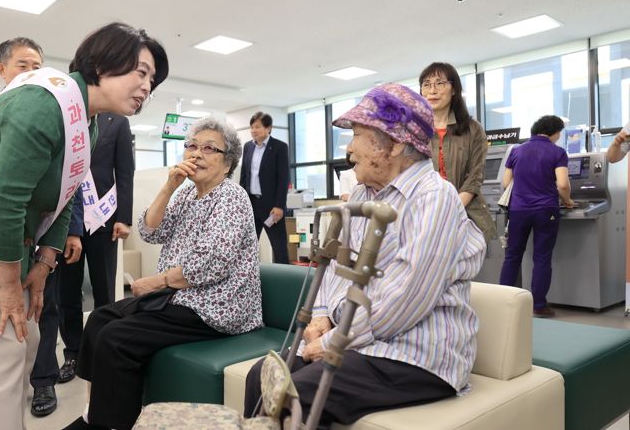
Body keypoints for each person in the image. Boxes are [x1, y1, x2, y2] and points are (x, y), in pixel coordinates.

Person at [0, 22, 169, 430]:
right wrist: (10, 284)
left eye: (152, 79)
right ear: (101, 63)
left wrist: (43, 265)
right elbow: (4, 201)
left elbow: (64, 196)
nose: (147, 87)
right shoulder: (46, 104)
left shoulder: (87, 121)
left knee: (29, 341)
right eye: (141, 72)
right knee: (2, 352)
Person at [244, 84, 486, 428]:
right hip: (361, 345)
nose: (349, 148)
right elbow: (337, 268)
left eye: (358, 134)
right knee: (261, 376)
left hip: (412, 355)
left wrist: (330, 341)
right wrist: (322, 316)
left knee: (292, 393)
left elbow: (406, 300)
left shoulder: (434, 197)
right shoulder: (362, 194)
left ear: (396, 143)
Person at [64, 118, 263, 430]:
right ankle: (94, 415)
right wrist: (169, 187)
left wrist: (156, 282)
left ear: (228, 163)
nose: (197, 154)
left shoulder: (231, 196)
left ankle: (113, 424)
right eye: (192, 146)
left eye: (209, 148)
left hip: (218, 306)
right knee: (100, 319)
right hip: (180, 298)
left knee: (117, 339)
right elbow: (149, 230)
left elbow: (211, 262)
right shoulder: (185, 193)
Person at [0, 36, 84, 418]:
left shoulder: (60, 112)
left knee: (45, 307)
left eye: (38, 66)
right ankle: (3, 385)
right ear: (2, 71)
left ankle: (43, 381)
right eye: (23, 65)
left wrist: (70, 231)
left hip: (44, 232)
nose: (32, 73)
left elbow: (72, 179)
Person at [57, 112, 134, 384]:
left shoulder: (118, 122)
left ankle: (102, 350)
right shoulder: (66, 116)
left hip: (104, 218)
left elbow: (125, 172)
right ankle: (73, 353)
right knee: (67, 292)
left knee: (104, 291)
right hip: (66, 223)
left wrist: (124, 216)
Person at [498, 115, 574, 317]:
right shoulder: (557, 152)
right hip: (545, 210)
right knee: (541, 257)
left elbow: (506, 184)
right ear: (555, 132)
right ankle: (539, 305)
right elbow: (563, 184)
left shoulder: (516, 151)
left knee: (512, 256)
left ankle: (503, 302)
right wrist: (567, 200)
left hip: (518, 210)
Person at [419, 62, 496, 241]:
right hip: (425, 216)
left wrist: (451, 208)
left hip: (466, 214)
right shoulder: (415, 130)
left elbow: (475, 176)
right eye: (426, 84)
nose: (433, 90)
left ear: (454, 89)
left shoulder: (472, 129)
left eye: (440, 83)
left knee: (465, 267)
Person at [239, 111, 290, 263]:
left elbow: (283, 178)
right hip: (251, 204)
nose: (253, 130)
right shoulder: (248, 147)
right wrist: (242, 202)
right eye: (251, 127)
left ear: (268, 128)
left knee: (279, 247)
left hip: (271, 207)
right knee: (247, 247)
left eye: (257, 127)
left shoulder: (279, 147)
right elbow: (244, 176)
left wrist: (279, 206)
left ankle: (285, 280)